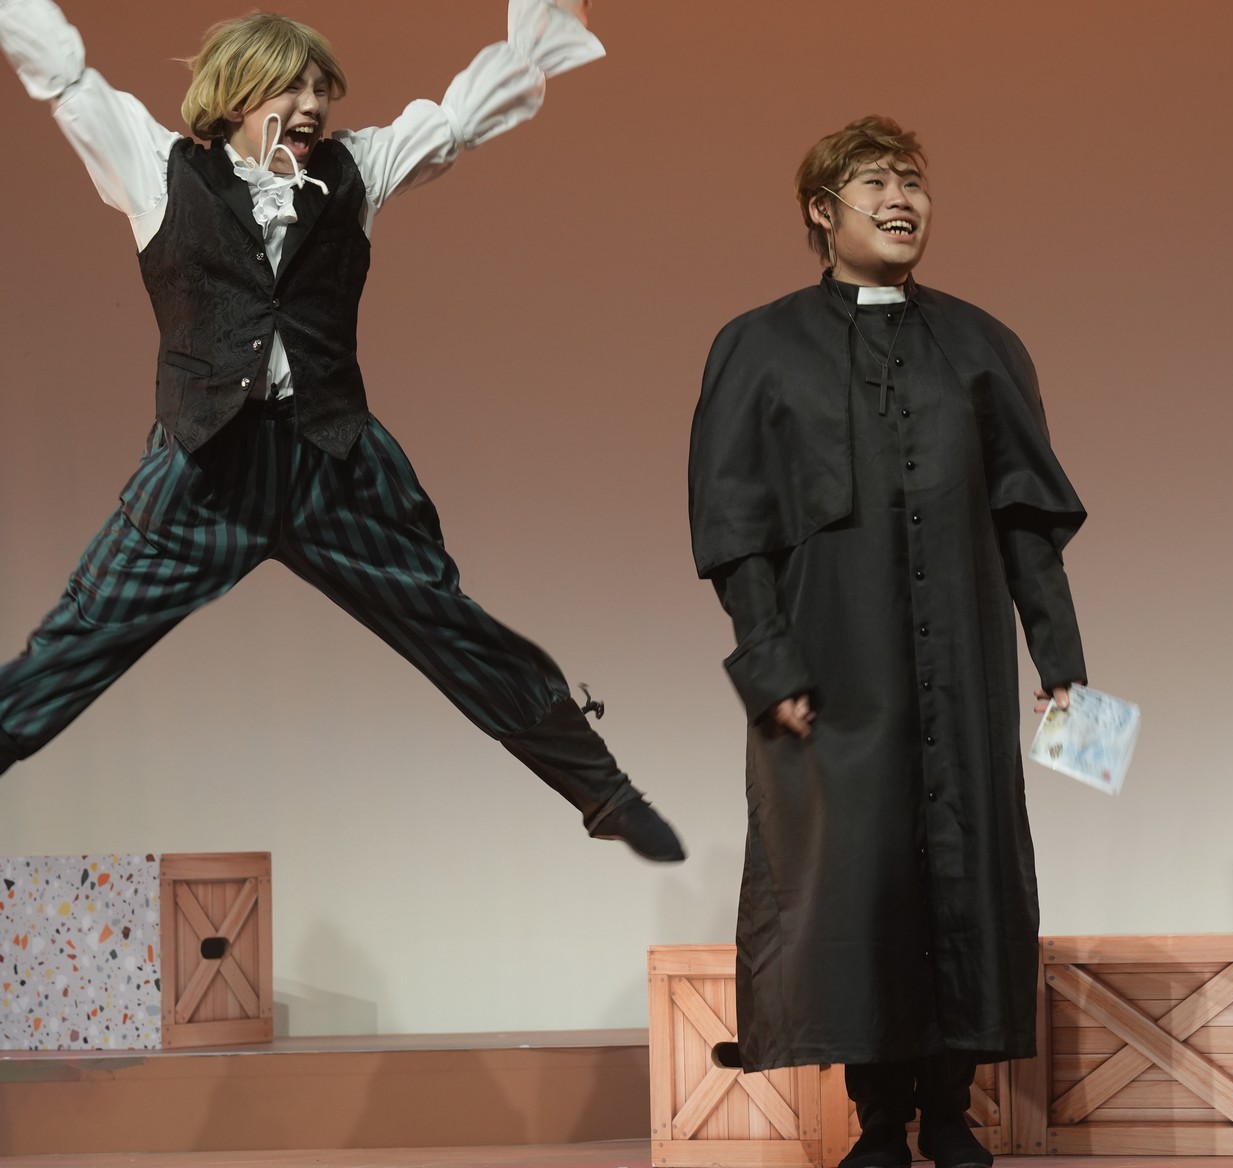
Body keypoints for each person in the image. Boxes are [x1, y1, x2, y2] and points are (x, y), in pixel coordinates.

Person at [0, 0, 683, 863]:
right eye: (293, 86)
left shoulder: (355, 168)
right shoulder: (156, 168)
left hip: (329, 460)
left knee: (447, 623)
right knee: (85, 632)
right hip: (206, 468)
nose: (315, 104)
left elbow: (459, 120)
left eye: (323, 88)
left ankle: (605, 792)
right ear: (237, 94)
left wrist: (540, 29)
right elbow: (68, 81)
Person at [688, 116, 1087, 1168]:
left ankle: (951, 1111)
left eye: (913, 182)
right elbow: (735, 529)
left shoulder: (984, 345)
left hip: (964, 663)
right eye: (874, 184)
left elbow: (1026, 522)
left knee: (967, 868)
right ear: (822, 212)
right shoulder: (758, 346)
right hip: (832, 669)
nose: (901, 200)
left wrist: (1063, 667)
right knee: (853, 880)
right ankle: (878, 1120)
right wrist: (768, 665)